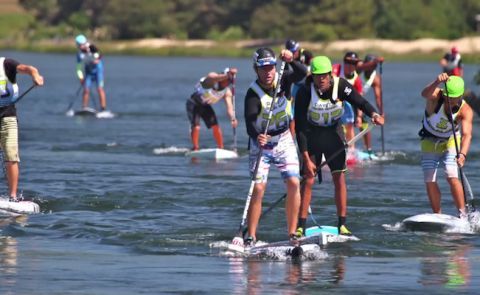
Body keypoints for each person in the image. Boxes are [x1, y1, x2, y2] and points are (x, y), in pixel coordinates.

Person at [294, 56, 384, 236]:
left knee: (339, 178)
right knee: (308, 179)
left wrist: (374, 114)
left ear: (330, 74)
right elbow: (300, 127)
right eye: (317, 76)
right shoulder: (305, 91)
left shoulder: (341, 86)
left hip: (334, 134)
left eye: (324, 76)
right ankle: (300, 226)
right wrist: (305, 157)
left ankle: (342, 225)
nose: (321, 80)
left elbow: (360, 102)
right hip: (311, 136)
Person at [243, 47, 307, 246]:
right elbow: (250, 122)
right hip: (261, 145)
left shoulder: (284, 78)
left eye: (271, 67)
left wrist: (292, 59)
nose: (268, 72)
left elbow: (302, 74)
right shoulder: (252, 94)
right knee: (259, 188)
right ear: (256, 70)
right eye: (263, 69)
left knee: (294, 183)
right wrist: (257, 135)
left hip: (284, 140)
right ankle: (251, 236)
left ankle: (292, 234)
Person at [419, 74, 473, 218]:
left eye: (453, 98)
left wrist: (462, 154)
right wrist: (437, 81)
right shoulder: (436, 95)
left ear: (460, 95)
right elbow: (424, 94)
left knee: (451, 174)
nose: (449, 100)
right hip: (429, 140)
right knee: (430, 178)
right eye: (448, 97)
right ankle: (438, 215)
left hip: (450, 141)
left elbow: (467, 135)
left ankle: (463, 215)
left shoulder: (465, 110)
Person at [0, 57, 44, 201]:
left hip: (7, 116)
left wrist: (35, 76)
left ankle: (13, 197)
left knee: (11, 155)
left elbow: (29, 69)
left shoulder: (6, 64)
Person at [186, 68, 238, 150]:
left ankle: (221, 147)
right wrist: (228, 75)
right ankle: (195, 147)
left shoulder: (227, 92)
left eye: (229, 81)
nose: (227, 82)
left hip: (205, 105)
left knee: (216, 126)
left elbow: (229, 107)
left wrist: (232, 118)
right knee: (196, 126)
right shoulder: (213, 79)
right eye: (227, 80)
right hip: (194, 103)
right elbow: (212, 77)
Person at [356, 54, 385, 154]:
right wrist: (376, 60)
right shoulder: (359, 70)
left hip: (358, 101)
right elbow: (363, 66)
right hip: (346, 97)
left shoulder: (376, 79)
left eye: (373, 67)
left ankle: (369, 151)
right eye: (370, 66)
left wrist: (381, 112)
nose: (371, 69)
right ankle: (348, 149)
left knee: (364, 125)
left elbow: (378, 98)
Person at [75, 34, 108, 111]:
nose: (82, 46)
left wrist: (97, 59)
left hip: (97, 70)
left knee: (100, 88)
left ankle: (103, 108)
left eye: (83, 44)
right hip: (88, 71)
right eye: (80, 45)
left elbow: (99, 54)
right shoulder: (79, 54)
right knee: (86, 89)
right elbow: (78, 68)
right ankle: (84, 107)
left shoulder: (91, 47)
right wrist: (81, 77)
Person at [339, 52, 363, 153]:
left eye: (353, 63)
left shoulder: (356, 80)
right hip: (331, 103)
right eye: (347, 62)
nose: (350, 66)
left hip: (346, 105)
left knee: (349, 126)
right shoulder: (336, 69)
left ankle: (351, 150)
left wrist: (359, 117)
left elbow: (360, 100)